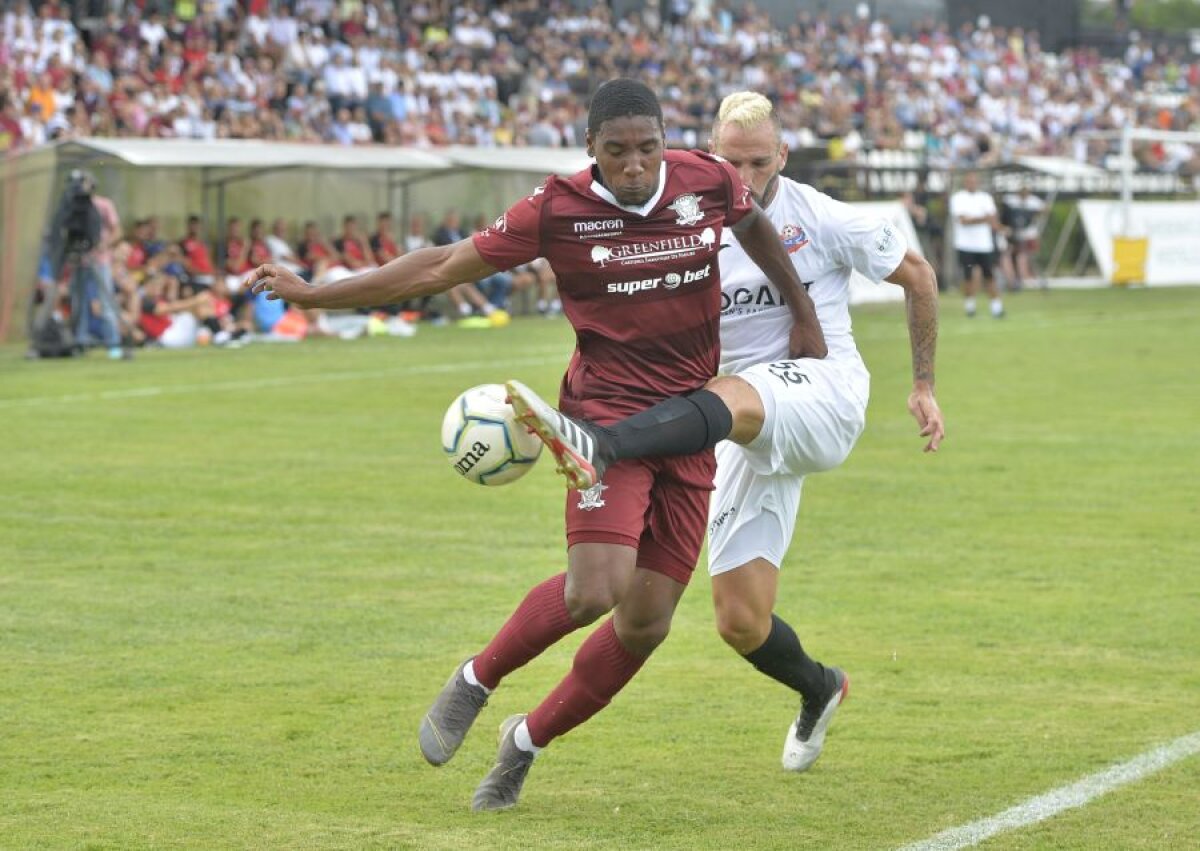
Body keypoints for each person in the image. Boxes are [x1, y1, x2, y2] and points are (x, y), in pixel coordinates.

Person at [247, 78, 827, 811]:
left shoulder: (707, 179)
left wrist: (803, 313)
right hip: (600, 421)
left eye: (647, 148)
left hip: (688, 423)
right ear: (590, 149)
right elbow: (440, 266)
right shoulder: (556, 208)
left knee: (646, 623)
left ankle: (524, 743)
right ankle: (476, 679)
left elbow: (756, 228)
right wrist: (314, 293)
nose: (634, 165)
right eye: (616, 151)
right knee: (594, 589)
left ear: (664, 140)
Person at [504, 91, 944, 773]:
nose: (747, 176)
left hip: (821, 393)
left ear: (783, 156)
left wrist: (922, 384)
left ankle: (605, 447)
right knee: (740, 619)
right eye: (733, 162)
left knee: (727, 394)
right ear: (711, 156)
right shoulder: (687, 220)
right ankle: (820, 687)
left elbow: (917, 274)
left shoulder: (821, 217)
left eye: (760, 162)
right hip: (737, 423)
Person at [46, 169, 127, 359]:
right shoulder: (70, 206)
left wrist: (103, 244)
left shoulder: (103, 204)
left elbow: (117, 231)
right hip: (78, 260)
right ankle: (80, 342)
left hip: (100, 260)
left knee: (105, 300)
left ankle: (113, 342)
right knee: (79, 301)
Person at [949, 171, 1004, 318]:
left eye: (974, 181)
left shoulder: (985, 197)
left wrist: (977, 219)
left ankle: (996, 308)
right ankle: (970, 307)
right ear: (965, 183)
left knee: (989, 275)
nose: (972, 184)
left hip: (984, 245)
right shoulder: (958, 198)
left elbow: (993, 218)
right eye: (969, 181)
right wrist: (983, 218)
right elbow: (963, 221)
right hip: (965, 244)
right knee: (968, 276)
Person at [1002, 183, 1047, 289]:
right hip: (1014, 234)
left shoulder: (1034, 201)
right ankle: (1016, 279)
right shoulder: (1011, 200)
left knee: (1028, 257)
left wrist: (1033, 214)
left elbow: (1045, 209)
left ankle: (1029, 277)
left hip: (1028, 234)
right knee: (1013, 256)